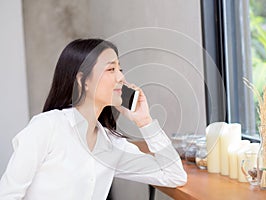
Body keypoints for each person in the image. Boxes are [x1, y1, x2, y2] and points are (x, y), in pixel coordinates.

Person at [0, 39, 187, 200]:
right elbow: (8, 195)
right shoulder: (46, 128)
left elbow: (174, 176)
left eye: (120, 69)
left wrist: (144, 121)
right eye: (111, 69)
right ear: (83, 81)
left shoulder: (112, 145)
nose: (121, 77)